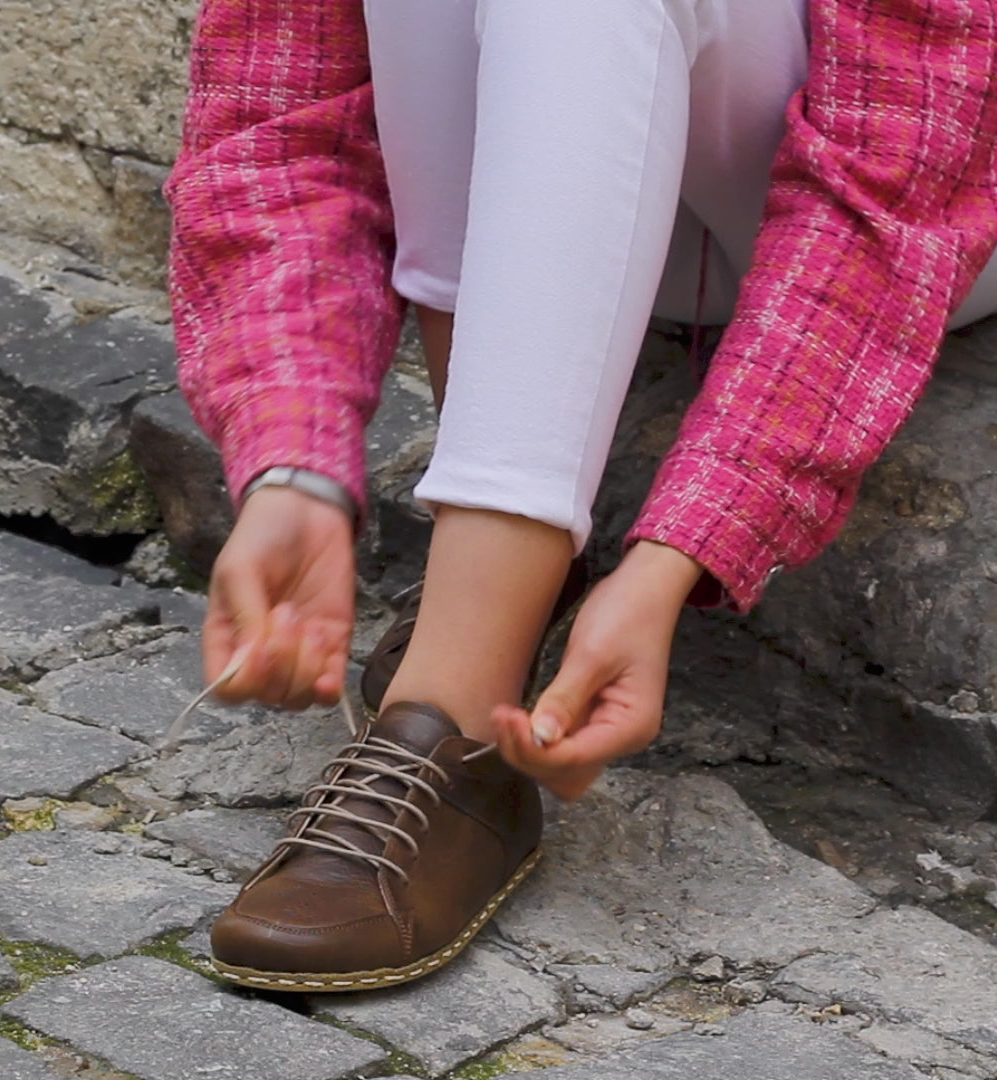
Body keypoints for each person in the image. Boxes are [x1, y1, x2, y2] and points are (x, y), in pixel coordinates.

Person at [164, 0, 997, 993]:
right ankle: (500, 579)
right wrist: (292, 458)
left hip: (939, 184)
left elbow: (896, 170)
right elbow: (276, 105)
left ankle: (455, 710)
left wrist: (680, 549)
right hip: (624, 163)